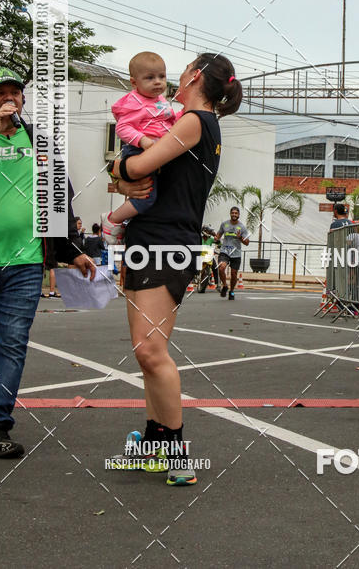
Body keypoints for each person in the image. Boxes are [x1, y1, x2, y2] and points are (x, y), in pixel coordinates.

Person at [109, 53, 242, 485]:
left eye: (182, 70)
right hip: (151, 237)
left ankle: (177, 452)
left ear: (196, 76)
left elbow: (137, 166)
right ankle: (154, 442)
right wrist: (125, 175)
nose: (173, 77)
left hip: (165, 241)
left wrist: (120, 169)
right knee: (146, 352)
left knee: (150, 350)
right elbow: (138, 174)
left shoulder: (194, 121)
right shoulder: (190, 121)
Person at [0, 66, 92, 458]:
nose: (9, 100)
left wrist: (72, 248)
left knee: (11, 343)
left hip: (25, 263)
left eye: (15, 94)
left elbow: (58, 198)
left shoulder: (40, 142)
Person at [101, 52, 178, 244]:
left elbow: (170, 120)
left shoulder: (159, 100)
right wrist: (142, 140)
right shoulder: (134, 103)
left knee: (151, 194)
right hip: (140, 150)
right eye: (150, 78)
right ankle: (112, 220)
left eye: (162, 76)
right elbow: (122, 127)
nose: (158, 82)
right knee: (145, 197)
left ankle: (123, 225)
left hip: (156, 151)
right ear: (134, 83)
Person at [215, 207, 250, 301]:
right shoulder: (224, 224)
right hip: (225, 251)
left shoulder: (242, 227)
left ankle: (231, 291)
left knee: (234, 274)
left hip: (236, 253)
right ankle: (225, 286)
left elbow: (247, 242)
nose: (234, 214)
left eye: (236, 213)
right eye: (232, 213)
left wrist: (240, 238)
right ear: (230, 214)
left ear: (238, 215)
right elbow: (218, 235)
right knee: (221, 267)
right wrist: (216, 238)